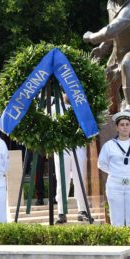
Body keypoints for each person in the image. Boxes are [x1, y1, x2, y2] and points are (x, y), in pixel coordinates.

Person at [98, 111, 130, 226]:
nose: (125, 127)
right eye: (122, 125)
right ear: (117, 127)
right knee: (116, 219)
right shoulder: (109, 145)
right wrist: (116, 173)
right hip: (115, 185)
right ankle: (119, 244)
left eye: (127, 124)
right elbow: (102, 164)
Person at [53, 94, 92, 224]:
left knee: (79, 178)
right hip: (61, 147)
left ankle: (82, 210)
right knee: (62, 179)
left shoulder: (82, 108)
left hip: (78, 147)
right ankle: (61, 212)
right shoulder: (55, 109)